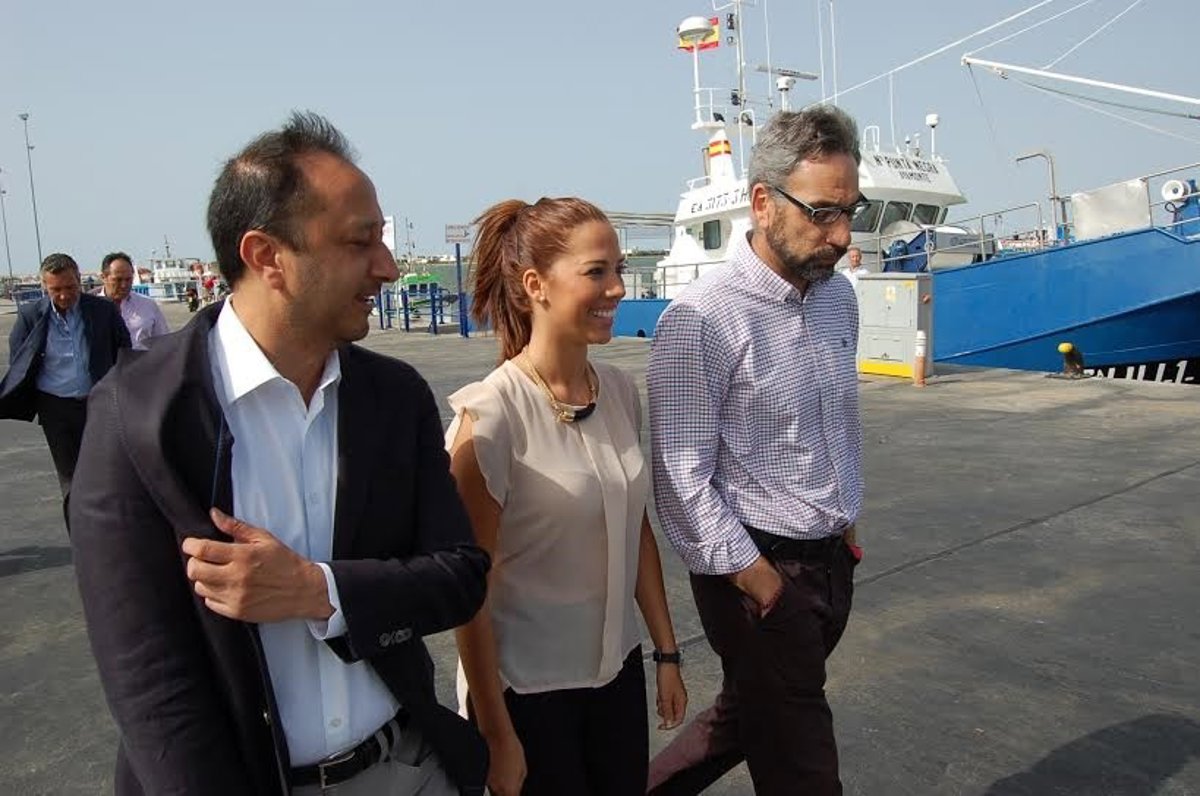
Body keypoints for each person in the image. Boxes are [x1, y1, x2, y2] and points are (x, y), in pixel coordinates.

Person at [68, 112, 491, 796]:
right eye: (360, 242)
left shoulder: (393, 396)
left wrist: (318, 591)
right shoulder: (136, 415)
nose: (387, 268)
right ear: (267, 256)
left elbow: (460, 577)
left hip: (409, 767)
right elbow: (149, 682)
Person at [645, 106, 866, 796]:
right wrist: (761, 582)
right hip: (757, 579)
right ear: (764, 202)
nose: (842, 235)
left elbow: (834, 424)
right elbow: (681, 480)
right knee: (803, 768)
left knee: (745, 719)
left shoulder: (838, 300)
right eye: (823, 213)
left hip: (830, 565)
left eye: (850, 211)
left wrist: (844, 525)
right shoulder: (702, 319)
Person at [447, 197, 687, 796]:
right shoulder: (490, 417)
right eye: (596, 271)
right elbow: (468, 596)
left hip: (617, 677)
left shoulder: (620, 392)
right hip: (528, 696)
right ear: (536, 286)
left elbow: (634, 529)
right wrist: (497, 735)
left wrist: (666, 653)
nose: (617, 288)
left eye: (618, 269)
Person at [0, 253, 130, 496]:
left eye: (70, 287)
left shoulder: (103, 310)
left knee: (107, 475)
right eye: (56, 289)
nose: (64, 295)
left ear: (79, 280)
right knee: (71, 481)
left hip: (97, 403)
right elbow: (20, 360)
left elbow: (124, 351)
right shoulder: (30, 315)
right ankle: (77, 521)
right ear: (44, 287)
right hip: (55, 408)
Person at [98, 251, 170, 349]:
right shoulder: (91, 308)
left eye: (128, 279)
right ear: (103, 277)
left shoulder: (148, 305)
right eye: (118, 280)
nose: (124, 285)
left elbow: (164, 341)